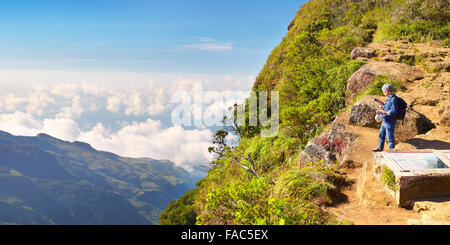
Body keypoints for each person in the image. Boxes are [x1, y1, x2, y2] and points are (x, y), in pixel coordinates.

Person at [372, 83, 399, 152]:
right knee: (381, 134)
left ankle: (391, 152)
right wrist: (379, 101)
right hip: (385, 120)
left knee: (390, 138)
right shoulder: (388, 98)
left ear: (387, 91)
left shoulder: (393, 99)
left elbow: (393, 111)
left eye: (384, 91)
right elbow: (386, 106)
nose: (383, 93)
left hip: (390, 122)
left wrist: (382, 112)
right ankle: (380, 148)